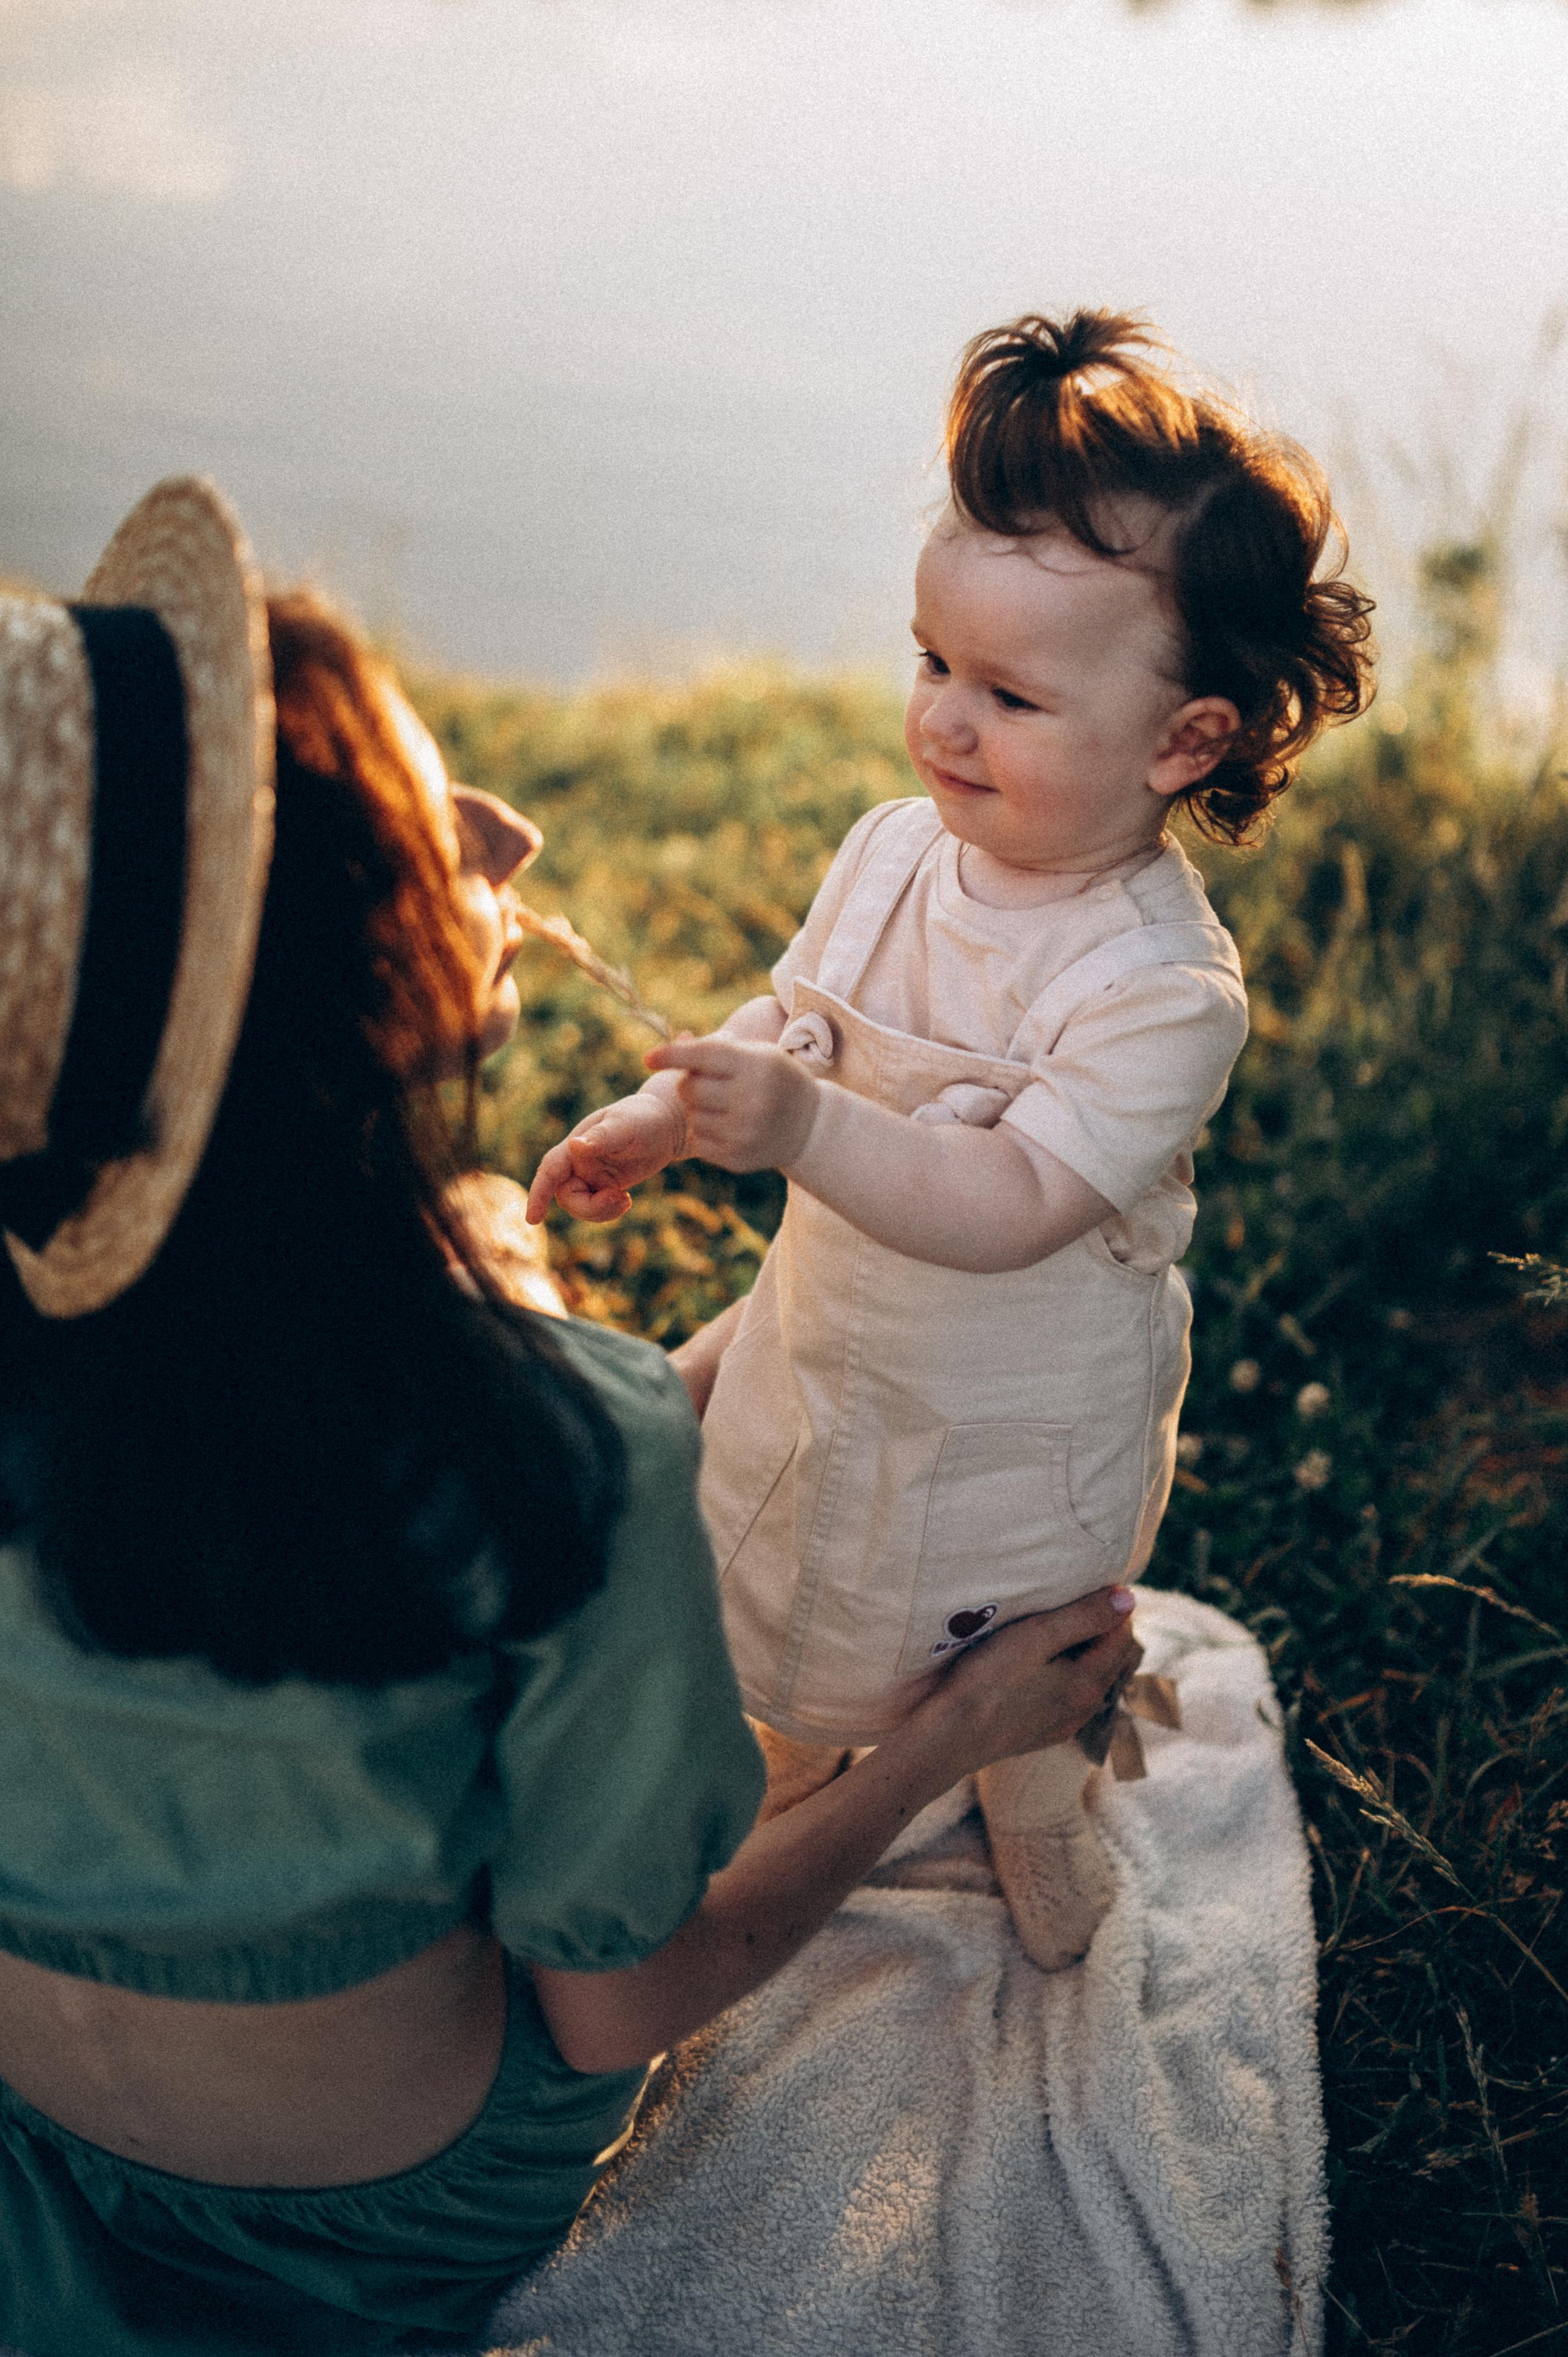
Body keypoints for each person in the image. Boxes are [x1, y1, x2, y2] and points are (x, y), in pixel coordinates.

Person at [0, 477, 1142, 2357]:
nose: (504, 829)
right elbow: (618, 1998)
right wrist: (945, 1743)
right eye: (404, 833)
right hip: (377, 2223)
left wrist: (713, 1373)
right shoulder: (553, 1463)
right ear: (328, 997)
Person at [527, 311, 1376, 1971]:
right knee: (781, 1593)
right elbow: (802, 1032)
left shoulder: (1158, 986)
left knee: (1005, 1637)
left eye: (1010, 694)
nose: (945, 725)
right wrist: (671, 1117)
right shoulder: (892, 856)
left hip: (1017, 1415)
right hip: (836, 1348)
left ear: (1185, 739)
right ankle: (774, 1763)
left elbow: (1007, 1201)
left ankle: (1035, 1792)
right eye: (932, 664)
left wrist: (801, 1127)